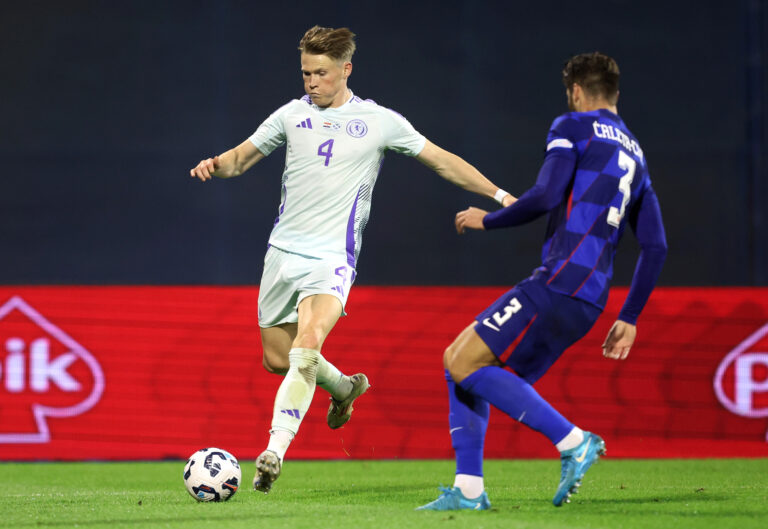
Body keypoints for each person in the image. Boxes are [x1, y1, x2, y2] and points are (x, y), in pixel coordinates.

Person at [190, 25, 514, 494]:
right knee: (277, 359)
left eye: (321, 73)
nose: (311, 82)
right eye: (305, 73)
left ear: (346, 69)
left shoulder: (379, 121)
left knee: (307, 344)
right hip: (283, 253)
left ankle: (273, 452)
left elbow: (443, 160)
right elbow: (240, 159)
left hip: (331, 259)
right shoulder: (289, 115)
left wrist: (501, 194)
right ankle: (343, 388)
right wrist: (215, 165)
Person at [416, 52, 667, 511]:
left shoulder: (573, 126)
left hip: (558, 281)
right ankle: (469, 491)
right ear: (615, 93)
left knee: (460, 361)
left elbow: (546, 194)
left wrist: (487, 220)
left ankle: (573, 442)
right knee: (466, 367)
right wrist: (629, 317)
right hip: (589, 301)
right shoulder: (636, 153)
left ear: (575, 92)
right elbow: (656, 246)